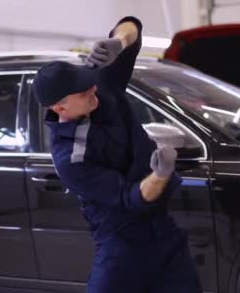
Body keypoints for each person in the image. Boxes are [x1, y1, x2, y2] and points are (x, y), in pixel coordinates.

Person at [32, 16, 202, 293]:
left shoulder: (103, 91)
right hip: (123, 245)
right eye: (81, 90)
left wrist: (119, 41)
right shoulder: (71, 159)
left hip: (164, 233)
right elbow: (131, 198)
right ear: (59, 108)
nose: (92, 88)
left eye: (87, 81)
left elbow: (132, 26)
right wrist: (160, 173)